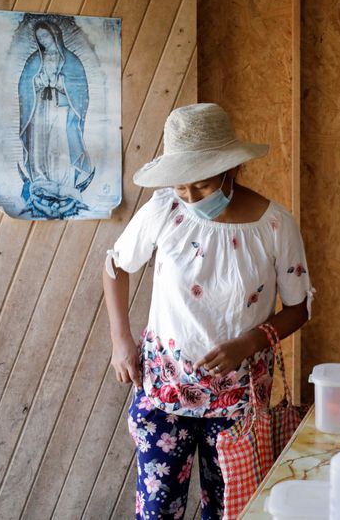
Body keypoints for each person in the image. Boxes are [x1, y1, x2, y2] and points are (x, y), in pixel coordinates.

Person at [102, 103, 313, 519]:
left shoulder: (274, 226)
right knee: (158, 510)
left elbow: (298, 308)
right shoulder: (164, 210)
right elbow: (114, 267)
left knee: (229, 510)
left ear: (229, 170)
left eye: (199, 186)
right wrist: (120, 341)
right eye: (181, 186)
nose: (188, 196)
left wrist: (250, 342)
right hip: (165, 390)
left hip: (239, 399)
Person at [18, 19, 92, 218]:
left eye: (46, 36)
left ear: (54, 35)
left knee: (59, 144)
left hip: (62, 108)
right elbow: (25, 84)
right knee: (40, 145)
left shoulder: (71, 60)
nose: (43, 40)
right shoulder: (34, 60)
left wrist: (60, 83)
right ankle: (41, 179)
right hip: (40, 108)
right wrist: (38, 82)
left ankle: (63, 182)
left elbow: (80, 88)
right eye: (40, 37)